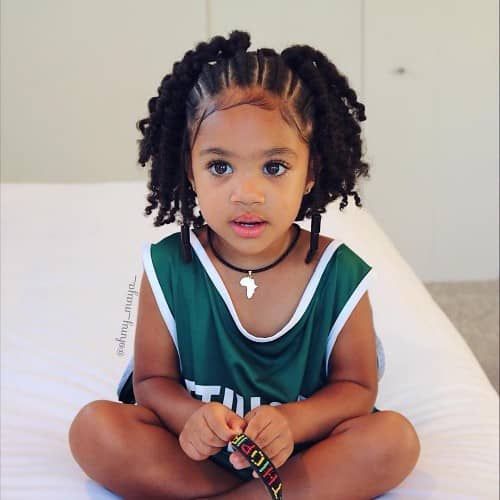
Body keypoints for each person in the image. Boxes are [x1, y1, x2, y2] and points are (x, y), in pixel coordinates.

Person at [68, 30, 421, 499]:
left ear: (311, 171)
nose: (247, 194)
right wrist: (191, 418)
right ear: (190, 169)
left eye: (274, 167)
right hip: (196, 456)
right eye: (220, 167)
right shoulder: (169, 266)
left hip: (302, 456)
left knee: (394, 440)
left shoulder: (338, 272)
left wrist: (293, 421)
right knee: (94, 429)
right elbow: (152, 381)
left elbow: (356, 387)